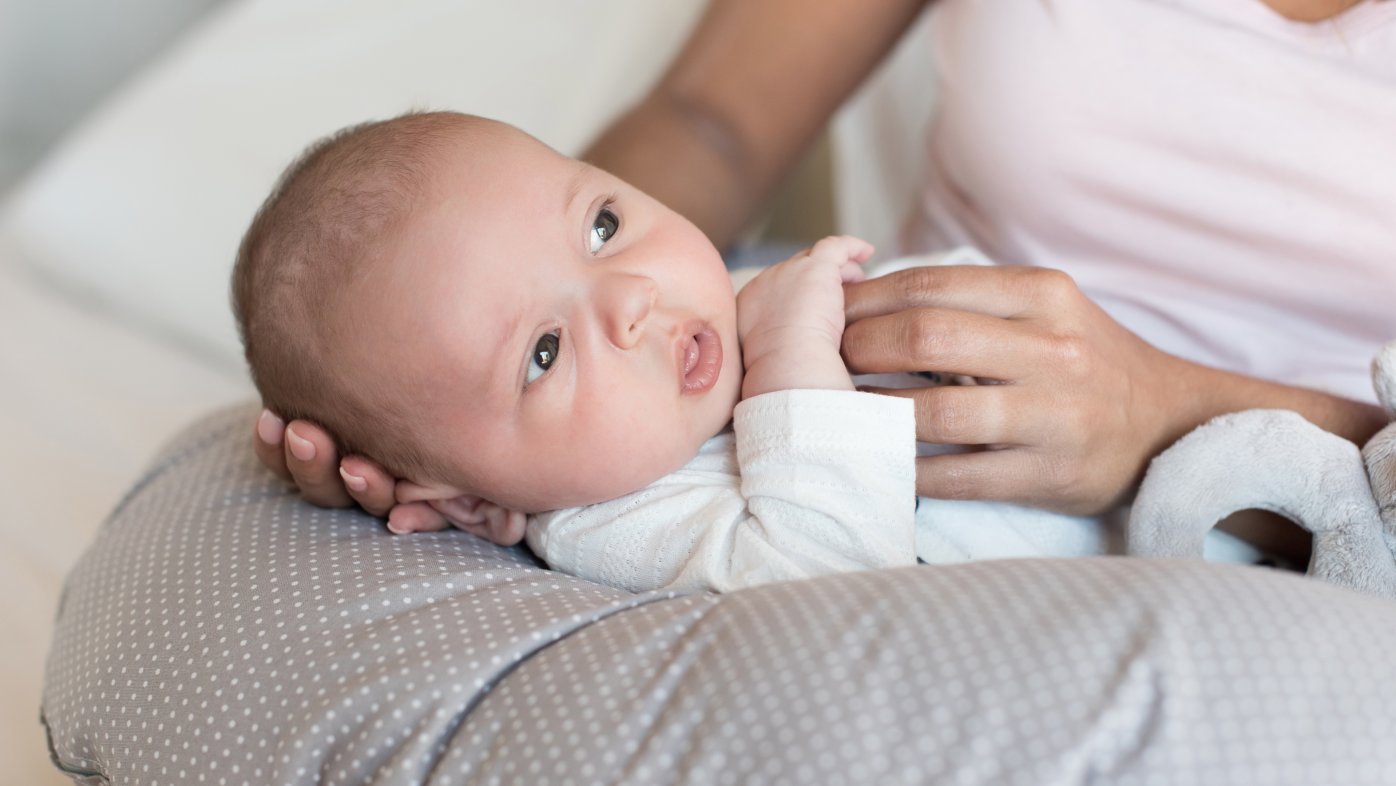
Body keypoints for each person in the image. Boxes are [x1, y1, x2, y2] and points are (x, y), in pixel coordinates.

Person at [252, 0, 1392, 543]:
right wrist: (450, 369)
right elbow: (711, 123)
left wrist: (1165, 417)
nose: (630, 296)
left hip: (1317, 519)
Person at [242, 111, 1233, 594]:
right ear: (471, 504)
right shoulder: (620, 514)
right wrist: (796, 355)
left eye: (600, 224)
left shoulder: (727, 319)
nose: (632, 298)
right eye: (542, 353)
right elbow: (830, 588)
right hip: (1206, 571)